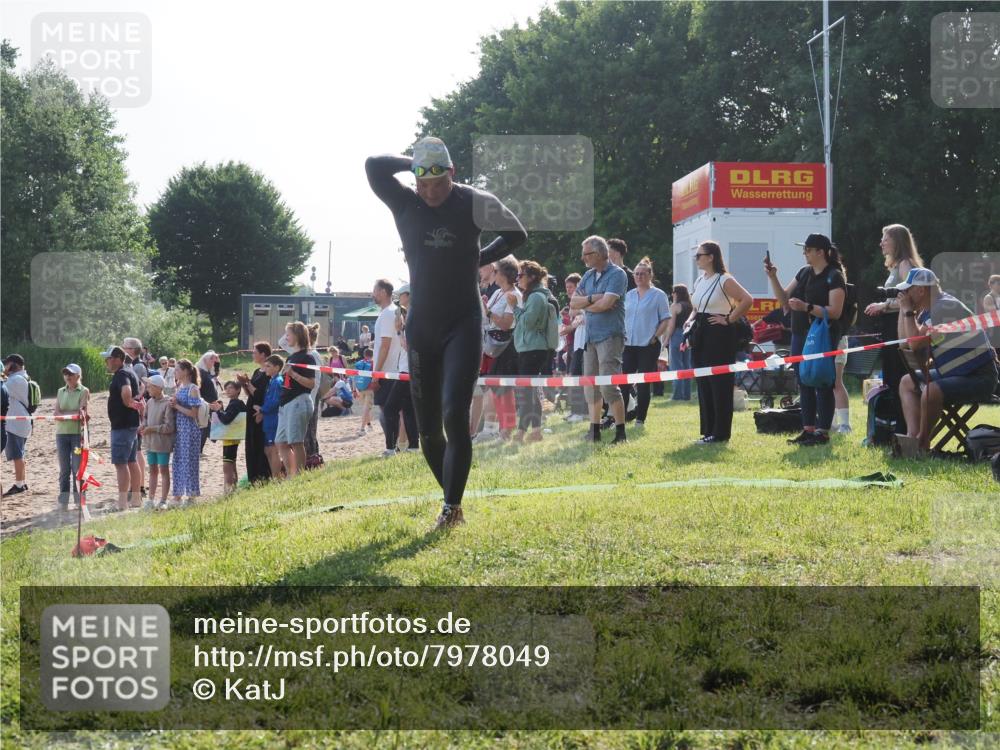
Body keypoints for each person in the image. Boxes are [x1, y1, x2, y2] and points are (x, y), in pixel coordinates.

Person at [366, 136, 527, 528]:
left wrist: (479, 256)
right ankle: (452, 498)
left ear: (452, 174)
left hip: (463, 322)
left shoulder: (473, 200)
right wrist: (418, 160)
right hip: (422, 325)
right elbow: (374, 165)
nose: (432, 192)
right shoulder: (405, 202)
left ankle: (451, 506)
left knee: (455, 414)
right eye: (425, 183)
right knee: (429, 431)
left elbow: (517, 233)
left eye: (439, 182)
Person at [896, 268, 999, 453]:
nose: (905, 295)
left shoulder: (943, 307)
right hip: (956, 373)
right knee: (906, 382)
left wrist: (906, 310)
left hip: (980, 377)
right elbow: (906, 342)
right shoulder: (929, 311)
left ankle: (921, 443)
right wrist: (904, 311)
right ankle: (911, 439)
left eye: (908, 290)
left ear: (921, 290)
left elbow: (913, 345)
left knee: (931, 391)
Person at [765, 234, 846, 446]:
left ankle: (823, 431)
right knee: (804, 380)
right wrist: (773, 277)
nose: (805, 253)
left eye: (808, 249)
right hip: (800, 333)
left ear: (821, 252)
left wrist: (807, 307)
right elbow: (784, 300)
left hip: (823, 335)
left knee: (821, 379)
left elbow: (835, 311)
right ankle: (808, 429)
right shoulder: (804, 273)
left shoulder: (834, 276)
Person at [688, 241, 753, 444]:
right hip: (701, 332)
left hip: (719, 334)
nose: (697, 258)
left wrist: (729, 319)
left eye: (700, 255)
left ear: (711, 257)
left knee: (719, 384)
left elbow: (746, 299)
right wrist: (690, 321)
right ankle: (708, 430)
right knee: (703, 381)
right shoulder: (700, 280)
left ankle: (720, 433)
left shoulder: (724, 279)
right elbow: (696, 306)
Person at [864, 224, 924, 432]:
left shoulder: (906, 264)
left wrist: (884, 305)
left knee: (898, 378)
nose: (881, 243)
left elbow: (912, 297)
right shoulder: (896, 265)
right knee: (891, 378)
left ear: (897, 242)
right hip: (891, 327)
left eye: (885, 238)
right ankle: (897, 429)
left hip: (899, 328)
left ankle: (903, 429)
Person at [570, 236, 629, 444]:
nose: (583, 257)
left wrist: (587, 304)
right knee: (590, 386)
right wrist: (593, 299)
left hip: (610, 336)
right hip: (590, 337)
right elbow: (574, 303)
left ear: (599, 254)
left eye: (587, 254)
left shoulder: (618, 274)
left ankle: (621, 433)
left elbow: (607, 305)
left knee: (608, 386)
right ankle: (594, 431)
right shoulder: (587, 275)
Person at [621, 257, 671, 426]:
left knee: (643, 384)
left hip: (648, 345)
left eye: (642, 274)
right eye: (636, 274)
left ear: (650, 275)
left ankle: (640, 419)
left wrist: (655, 336)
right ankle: (625, 415)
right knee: (623, 382)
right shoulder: (628, 295)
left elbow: (665, 319)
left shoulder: (659, 295)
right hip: (628, 344)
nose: (639, 277)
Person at [510, 260, 555, 443]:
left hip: (533, 349)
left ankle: (526, 432)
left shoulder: (536, 297)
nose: (517, 279)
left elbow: (528, 323)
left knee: (526, 393)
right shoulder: (533, 295)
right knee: (528, 392)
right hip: (529, 348)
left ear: (532, 277)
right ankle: (532, 431)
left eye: (520, 275)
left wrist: (514, 307)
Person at [479, 256, 520, 441]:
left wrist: (488, 312)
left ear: (504, 274)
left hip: (507, 346)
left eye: (496, 271)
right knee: (496, 388)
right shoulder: (497, 293)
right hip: (493, 345)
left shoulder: (515, 295)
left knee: (505, 389)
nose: (493, 274)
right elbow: (487, 318)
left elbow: (505, 324)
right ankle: (502, 429)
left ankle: (506, 430)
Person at [102, 346, 142, 510]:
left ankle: (122, 503)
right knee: (132, 461)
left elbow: (127, 391)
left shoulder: (122, 374)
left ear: (118, 358)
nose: (107, 362)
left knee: (121, 464)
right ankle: (136, 499)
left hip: (122, 426)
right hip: (130, 424)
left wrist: (128, 402)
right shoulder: (130, 370)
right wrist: (133, 404)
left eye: (109, 358)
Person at [275, 321, 316, 477]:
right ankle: (292, 473)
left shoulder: (307, 357)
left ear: (297, 335)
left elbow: (311, 384)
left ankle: (298, 475)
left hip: (299, 401)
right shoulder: (292, 356)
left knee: (296, 442)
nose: (286, 337)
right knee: (281, 441)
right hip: (286, 403)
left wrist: (294, 375)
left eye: (288, 334)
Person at [382, 286, 420, 454]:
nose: (399, 299)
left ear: (408, 296)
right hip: (408, 370)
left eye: (401, 295)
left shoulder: (414, 316)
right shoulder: (413, 315)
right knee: (409, 410)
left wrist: (398, 331)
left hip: (408, 371)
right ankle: (413, 446)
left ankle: (391, 448)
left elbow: (408, 346)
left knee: (390, 409)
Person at [371, 278, 403, 456]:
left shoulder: (387, 314)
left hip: (387, 371)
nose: (373, 294)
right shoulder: (389, 312)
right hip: (389, 370)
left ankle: (392, 447)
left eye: (375, 291)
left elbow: (385, 345)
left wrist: (377, 373)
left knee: (387, 411)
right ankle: (394, 445)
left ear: (383, 292)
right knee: (388, 411)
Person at [53, 363, 90, 510]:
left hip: (77, 434)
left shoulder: (84, 391)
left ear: (78, 376)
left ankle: (79, 501)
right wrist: (71, 415)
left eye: (71, 374)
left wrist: (65, 415)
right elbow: (56, 414)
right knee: (64, 470)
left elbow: (81, 413)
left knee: (77, 469)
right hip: (61, 434)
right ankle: (63, 502)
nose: (67, 376)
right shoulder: (60, 391)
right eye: (66, 373)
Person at [236, 342, 272, 484]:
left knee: (259, 444)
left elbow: (260, 394)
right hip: (251, 409)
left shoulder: (268, 373)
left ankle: (262, 475)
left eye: (255, 352)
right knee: (251, 444)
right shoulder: (258, 371)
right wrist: (244, 384)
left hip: (260, 412)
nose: (253, 355)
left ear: (263, 354)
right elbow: (250, 393)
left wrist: (248, 383)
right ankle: (253, 476)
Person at [169, 359, 204, 507]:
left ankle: (191, 495)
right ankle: (178, 495)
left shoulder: (193, 389)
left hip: (190, 430)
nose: (175, 372)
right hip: (180, 429)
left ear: (185, 371)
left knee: (189, 461)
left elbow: (193, 413)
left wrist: (176, 406)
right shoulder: (180, 387)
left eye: (177, 370)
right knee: (178, 461)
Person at [141, 373, 175, 510]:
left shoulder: (167, 403)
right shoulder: (149, 402)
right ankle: (150, 499)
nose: (147, 388)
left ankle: (163, 500)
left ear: (158, 387)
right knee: (152, 470)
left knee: (164, 470)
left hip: (162, 444)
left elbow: (169, 427)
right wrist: (143, 425)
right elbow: (145, 418)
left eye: (149, 386)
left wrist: (151, 429)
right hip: (150, 443)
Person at [1, 354, 32, 498]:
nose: (6, 367)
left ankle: (19, 485)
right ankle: (22, 482)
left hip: (16, 423)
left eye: (8, 364)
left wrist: (3, 373)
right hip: (20, 422)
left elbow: (2, 387)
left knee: (17, 455)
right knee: (19, 454)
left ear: (15, 365)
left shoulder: (16, 380)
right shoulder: (21, 378)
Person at [560, 273, 589, 422]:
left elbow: (577, 315)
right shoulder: (578, 302)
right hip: (577, 343)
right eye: (567, 288)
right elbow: (572, 312)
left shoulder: (586, 297)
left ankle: (581, 411)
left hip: (585, 343)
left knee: (579, 376)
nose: (569, 290)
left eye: (571, 287)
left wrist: (580, 309)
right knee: (574, 375)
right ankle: (576, 410)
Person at [123, 337, 149, 498]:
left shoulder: (136, 366)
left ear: (131, 350)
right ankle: (138, 486)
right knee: (136, 452)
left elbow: (139, 389)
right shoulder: (134, 365)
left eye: (124, 346)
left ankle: (139, 486)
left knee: (137, 452)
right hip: (136, 410)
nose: (121, 348)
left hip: (135, 412)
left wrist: (134, 401)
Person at [217, 380, 247, 494]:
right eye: (226, 388)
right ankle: (234, 488)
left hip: (230, 438)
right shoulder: (237, 403)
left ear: (238, 390)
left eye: (230, 388)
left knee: (227, 465)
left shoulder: (235, 403)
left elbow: (226, 420)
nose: (227, 390)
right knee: (232, 463)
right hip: (234, 437)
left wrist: (219, 411)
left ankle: (228, 490)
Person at [259, 354, 285, 479]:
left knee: (273, 449)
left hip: (274, 419)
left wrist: (261, 410)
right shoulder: (272, 380)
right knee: (268, 450)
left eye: (268, 366)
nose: (266, 368)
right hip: (269, 419)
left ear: (277, 367)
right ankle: (275, 476)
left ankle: (277, 477)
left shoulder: (277, 381)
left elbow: (275, 401)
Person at [302, 322, 324, 466]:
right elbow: (282, 342)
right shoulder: (303, 353)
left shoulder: (313, 355)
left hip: (311, 397)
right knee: (305, 432)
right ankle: (309, 459)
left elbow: (315, 381)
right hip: (305, 397)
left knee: (310, 432)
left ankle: (313, 459)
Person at [668, 284, 693, 400]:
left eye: (673, 292)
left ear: (677, 293)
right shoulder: (690, 306)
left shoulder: (675, 306)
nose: (672, 294)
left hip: (677, 335)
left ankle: (677, 395)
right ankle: (687, 394)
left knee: (676, 365)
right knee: (686, 365)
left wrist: (666, 340)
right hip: (688, 336)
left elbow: (671, 325)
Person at [196, 351, 223, 452]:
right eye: (211, 359)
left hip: (212, 403)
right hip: (205, 403)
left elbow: (215, 373)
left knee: (207, 426)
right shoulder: (200, 372)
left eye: (213, 359)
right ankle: (199, 449)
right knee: (205, 427)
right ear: (204, 360)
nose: (213, 361)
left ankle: (200, 449)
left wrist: (217, 362)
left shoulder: (207, 372)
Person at [354, 348, 375, 434]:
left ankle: (369, 426)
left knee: (365, 409)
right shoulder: (373, 363)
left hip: (360, 388)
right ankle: (363, 429)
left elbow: (354, 376)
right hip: (369, 388)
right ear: (372, 355)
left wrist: (354, 389)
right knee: (366, 409)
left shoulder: (359, 363)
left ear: (364, 355)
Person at [983, 274, 1000, 356]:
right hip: (994, 333)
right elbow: (993, 314)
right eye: (998, 283)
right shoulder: (988, 298)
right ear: (991, 284)